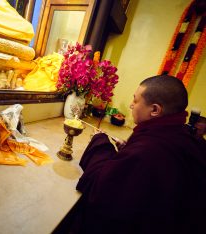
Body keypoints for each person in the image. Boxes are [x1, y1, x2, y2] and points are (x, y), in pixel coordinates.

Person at [53, 75, 206, 234]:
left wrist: (100, 141)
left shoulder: (148, 150)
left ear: (154, 110)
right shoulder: (184, 135)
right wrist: (128, 149)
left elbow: (102, 188)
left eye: (136, 100)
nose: (131, 105)